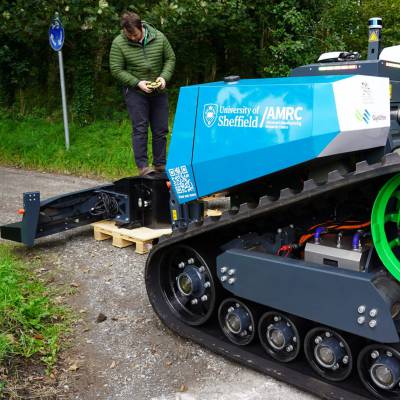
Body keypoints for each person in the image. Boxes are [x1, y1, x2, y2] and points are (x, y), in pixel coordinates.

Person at [109, 12, 176, 176]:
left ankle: (160, 164)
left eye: (134, 34)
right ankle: (143, 167)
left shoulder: (159, 37)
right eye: (128, 34)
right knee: (140, 128)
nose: (132, 37)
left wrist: (163, 77)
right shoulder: (118, 43)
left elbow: (170, 58)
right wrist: (137, 83)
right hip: (135, 91)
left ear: (142, 28)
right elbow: (116, 69)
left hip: (158, 90)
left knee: (160, 129)